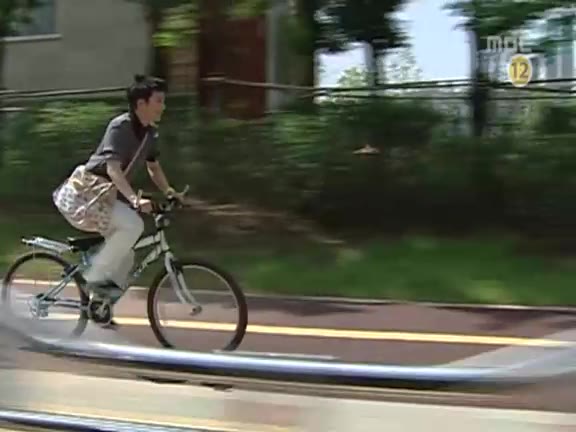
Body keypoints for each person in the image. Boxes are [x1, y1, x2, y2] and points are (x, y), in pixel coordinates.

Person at [79, 74, 182, 313]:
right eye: (158, 101)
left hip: (108, 197)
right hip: (89, 193)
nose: (163, 106)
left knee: (127, 256)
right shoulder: (120, 127)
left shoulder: (150, 133)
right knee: (133, 225)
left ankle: (100, 306)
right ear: (141, 104)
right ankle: (92, 277)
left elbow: (153, 167)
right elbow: (113, 169)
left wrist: (169, 191)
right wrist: (135, 199)